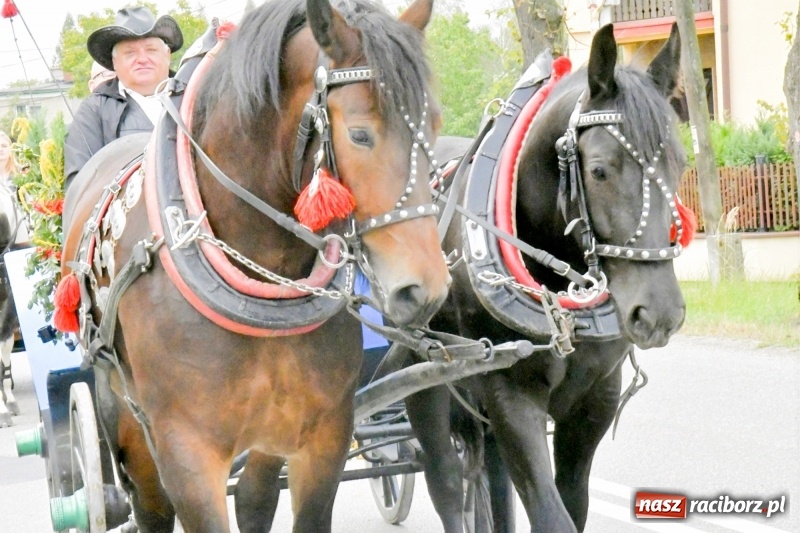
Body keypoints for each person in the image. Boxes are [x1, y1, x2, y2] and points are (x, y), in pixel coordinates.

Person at [64, 6, 183, 186]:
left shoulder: (195, 98)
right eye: (130, 52)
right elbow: (80, 185)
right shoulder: (94, 110)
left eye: (151, 50)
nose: (142, 59)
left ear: (167, 55)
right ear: (114, 63)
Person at [0, 131, 28, 245]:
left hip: (23, 237)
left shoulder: (22, 174)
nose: (1, 149)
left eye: (4, 146)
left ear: (10, 149)